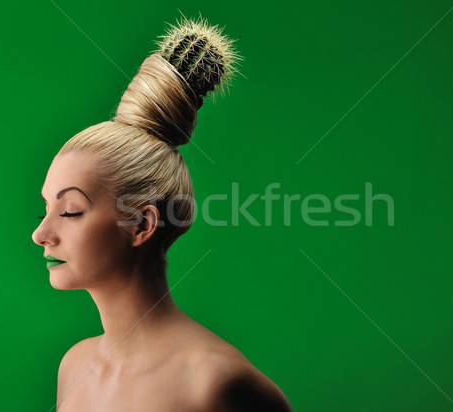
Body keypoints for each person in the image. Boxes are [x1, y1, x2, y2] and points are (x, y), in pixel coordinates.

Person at [31, 16, 292, 412]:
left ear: (141, 224)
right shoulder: (74, 366)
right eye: (44, 209)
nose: (41, 234)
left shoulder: (215, 384)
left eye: (70, 211)